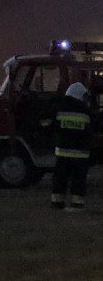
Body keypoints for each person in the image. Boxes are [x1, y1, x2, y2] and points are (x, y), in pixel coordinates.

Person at [51, 82, 92, 212]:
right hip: (81, 155)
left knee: (59, 179)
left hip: (62, 153)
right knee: (78, 180)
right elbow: (92, 130)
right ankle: (77, 205)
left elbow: (52, 128)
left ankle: (57, 203)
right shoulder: (86, 112)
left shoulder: (59, 110)